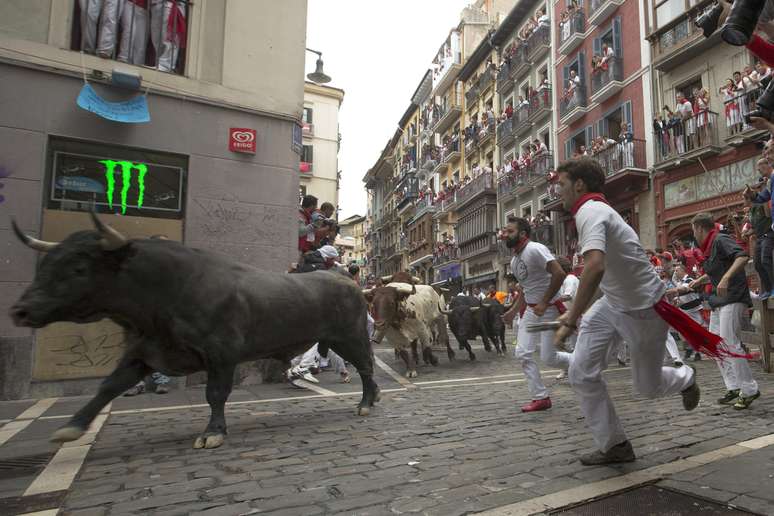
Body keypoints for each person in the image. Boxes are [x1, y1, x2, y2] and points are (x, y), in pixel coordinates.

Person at [553, 158, 699, 465]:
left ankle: (685, 377)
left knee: (648, 388)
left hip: (643, 309)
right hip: (612, 304)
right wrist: (577, 314)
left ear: (579, 185)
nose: (558, 191)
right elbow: (598, 273)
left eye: (562, 184)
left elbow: (594, 266)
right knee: (580, 373)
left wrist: (570, 316)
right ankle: (615, 445)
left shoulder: (590, 211)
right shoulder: (592, 211)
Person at [688, 213, 760, 409]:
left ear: (700, 228)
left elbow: (743, 256)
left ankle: (749, 389)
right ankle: (734, 386)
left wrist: (726, 278)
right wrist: (700, 280)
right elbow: (716, 270)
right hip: (719, 301)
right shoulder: (709, 247)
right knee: (715, 345)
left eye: (693, 230)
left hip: (733, 297)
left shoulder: (720, 239)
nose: (693, 234)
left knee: (730, 343)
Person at [501, 217, 569, 412]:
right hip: (531, 312)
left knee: (550, 358)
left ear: (522, 234)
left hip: (549, 310)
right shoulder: (514, 261)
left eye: (510, 231)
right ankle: (541, 397)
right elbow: (525, 288)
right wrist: (512, 311)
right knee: (522, 352)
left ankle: (581, 363)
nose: (505, 235)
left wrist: (544, 302)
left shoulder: (535, 249)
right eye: (505, 231)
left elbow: (559, 274)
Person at [667, 264, 704, 362]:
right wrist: (676, 299)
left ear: (683, 271)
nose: (675, 272)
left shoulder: (689, 280)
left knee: (695, 332)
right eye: (675, 271)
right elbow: (680, 294)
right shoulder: (680, 282)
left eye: (677, 270)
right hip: (685, 310)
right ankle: (690, 349)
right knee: (682, 332)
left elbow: (682, 289)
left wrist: (666, 291)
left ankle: (696, 352)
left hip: (694, 310)